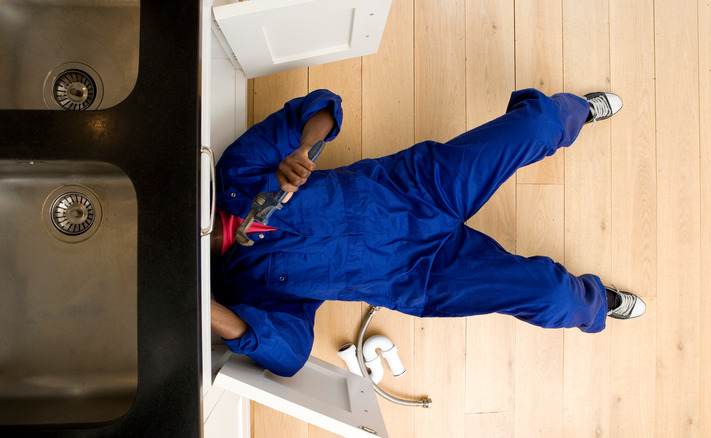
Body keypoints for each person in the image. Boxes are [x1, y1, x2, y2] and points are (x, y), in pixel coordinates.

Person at [209, 88, 646, 378]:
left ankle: (576, 112)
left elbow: (322, 107)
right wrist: (202, 307)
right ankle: (595, 303)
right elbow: (289, 354)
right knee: (554, 297)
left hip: (416, 187)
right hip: (422, 276)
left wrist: (303, 149)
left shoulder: (237, 174)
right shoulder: (243, 292)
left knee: (537, 126)